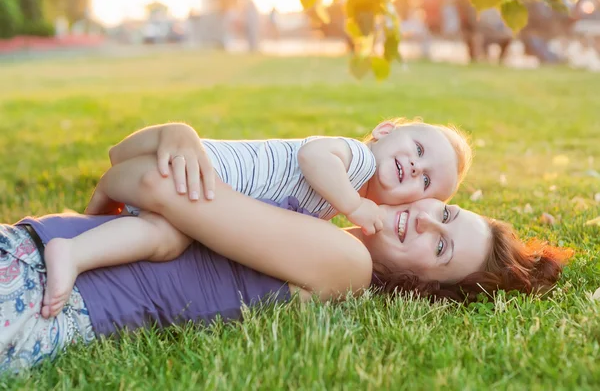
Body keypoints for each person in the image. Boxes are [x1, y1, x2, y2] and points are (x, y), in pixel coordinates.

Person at [1, 147, 572, 374]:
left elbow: (148, 178)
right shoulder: (314, 217)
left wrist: (177, 140)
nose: (423, 220)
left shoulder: (343, 262)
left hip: (36, 295)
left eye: (439, 247)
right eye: (444, 215)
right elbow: (129, 178)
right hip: (32, 253)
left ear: (421, 286)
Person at [42, 119, 473, 317]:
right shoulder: (354, 161)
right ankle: (78, 241)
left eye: (426, 181)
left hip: (193, 185)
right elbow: (312, 156)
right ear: (383, 131)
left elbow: (139, 175)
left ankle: (77, 244)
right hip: (213, 174)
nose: (416, 169)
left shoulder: (339, 253)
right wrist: (356, 206)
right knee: (163, 233)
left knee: (164, 236)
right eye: (418, 150)